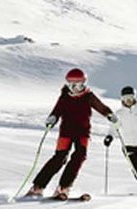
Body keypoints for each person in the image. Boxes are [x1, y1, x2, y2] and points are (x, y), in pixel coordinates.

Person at [29, 68, 111, 199]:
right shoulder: (64, 97)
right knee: (59, 159)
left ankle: (64, 187)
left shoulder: (89, 96)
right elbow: (57, 111)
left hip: (83, 133)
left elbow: (101, 107)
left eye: (80, 85)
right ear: (68, 84)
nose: (77, 88)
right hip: (66, 133)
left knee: (79, 157)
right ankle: (38, 187)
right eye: (73, 85)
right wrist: (52, 119)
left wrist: (109, 114)